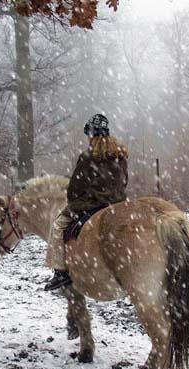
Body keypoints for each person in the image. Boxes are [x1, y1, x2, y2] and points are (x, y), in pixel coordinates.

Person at [44, 114, 129, 291]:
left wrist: (74, 200)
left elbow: (75, 187)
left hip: (91, 204)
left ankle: (60, 272)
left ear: (91, 135)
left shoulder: (88, 156)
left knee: (59, 226)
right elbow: (124, 180)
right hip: (118, 204)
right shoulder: (120, 155)